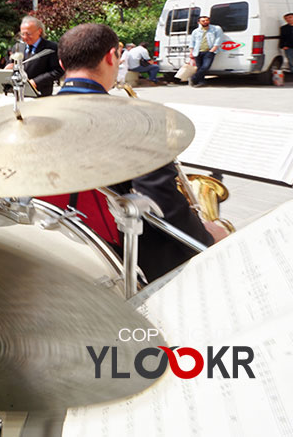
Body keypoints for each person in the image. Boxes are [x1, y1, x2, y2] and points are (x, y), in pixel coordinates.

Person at [51, 23, 227, 281]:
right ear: (112, 56)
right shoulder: (135, 122)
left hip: (57, 235)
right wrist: (206, 236)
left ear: (62, 63)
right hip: (118, 250)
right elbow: (160, 201)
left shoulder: (32, 117)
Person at [8, 15, 63, 96]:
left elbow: (58, 71)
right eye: (22, 34)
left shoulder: (51, 48)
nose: (25, 37)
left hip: (41, 94)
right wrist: (8, 68)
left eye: (29, 34)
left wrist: (36, 81)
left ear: (39, 31)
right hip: (18, 94)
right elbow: (11, 65)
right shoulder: (17, 47)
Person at [187, 15, 223, 87]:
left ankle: (193, 78)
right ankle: (201, 82)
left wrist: (212, 50)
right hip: (197, 52)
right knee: (200, 68)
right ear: (199, 22)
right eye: (203, 21)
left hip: (209, 51)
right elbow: (192, 43)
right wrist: (191, 52)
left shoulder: (216, 29)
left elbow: (218, 40)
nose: (205, 22)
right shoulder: (196, 31)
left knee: (205, 67)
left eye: (207, 20)